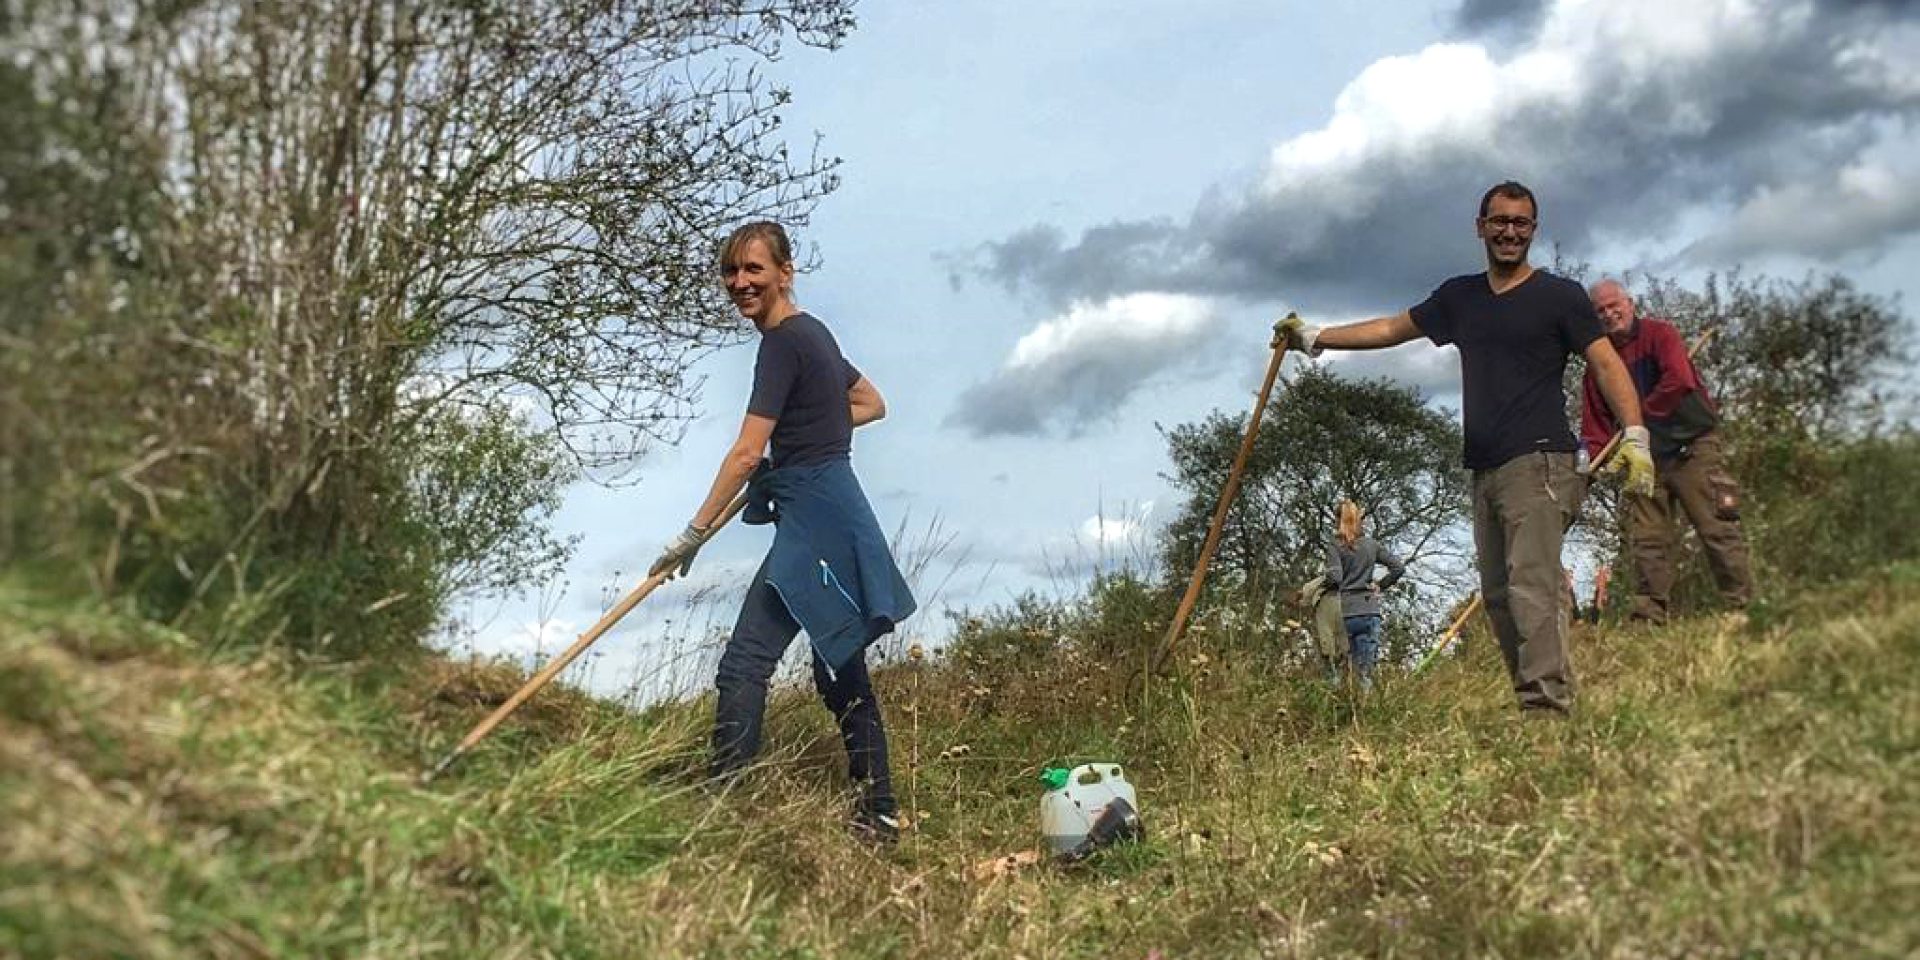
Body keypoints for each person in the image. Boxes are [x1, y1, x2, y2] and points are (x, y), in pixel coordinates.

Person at [1276, 181, 1655, 714]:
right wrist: (1315, 336)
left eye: (1520, 223)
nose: (1509, 232)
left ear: (1534, 230)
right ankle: (1535, 701)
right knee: (1498, 596)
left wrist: (1635, 434)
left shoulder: (1559, 296)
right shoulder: (1461, 298)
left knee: (1532, 588)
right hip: (1485, 468)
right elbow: (1391, 328)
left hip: (1542, 463)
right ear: (1480, 227)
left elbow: (1606, 363)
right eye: (1499, 221)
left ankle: (1546, 709)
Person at [649, 221, 916, 842]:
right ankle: (879, 811)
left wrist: (693, 533)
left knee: (745, 662)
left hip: (816, 522)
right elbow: (870, 402)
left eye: (754, 269)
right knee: (838, 664)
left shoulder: (782, 343)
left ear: (784, 273)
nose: (740, 282)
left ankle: (722, 812)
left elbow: (746, 453)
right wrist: (806, 433)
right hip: (835, 511)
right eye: (731, 271)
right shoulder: (813, 334)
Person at [1580, 279, 1752, 623]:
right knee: (1647, 539)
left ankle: (1743, 608)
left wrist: (1636, 418)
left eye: (1614, 305)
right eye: (1600, 311)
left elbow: (1679, 381)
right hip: (1645, 458)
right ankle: (1649, 618)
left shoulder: (1661, 334)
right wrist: (1591, 467)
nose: (1609, 314)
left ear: (1630, 304)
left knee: (1716, 527)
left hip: (1692, 445)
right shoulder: (1597, 365)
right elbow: (1595, 424)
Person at [1324, 500, 1406, 691]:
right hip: (1368, 610)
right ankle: (1366, 705)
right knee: (1365, 674)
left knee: (1340, 673)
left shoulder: (1335, 545)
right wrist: (1380, 585)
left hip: (1344, 612)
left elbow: (1335, 577)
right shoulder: (1372, 545)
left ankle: (1342, 705)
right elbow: (1398, 568)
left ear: (1338, 520)